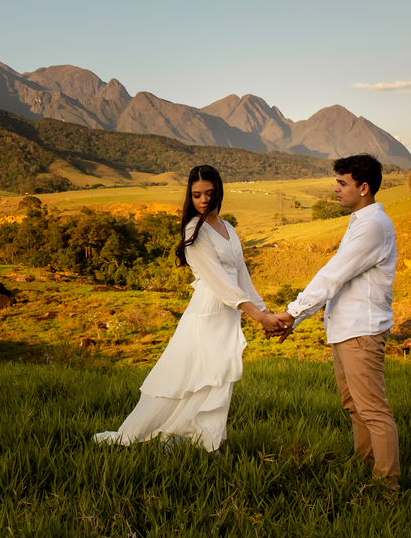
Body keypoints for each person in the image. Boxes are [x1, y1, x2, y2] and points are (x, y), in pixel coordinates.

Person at [94, 165, 288, 453]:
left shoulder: (228, 228)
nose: (204, 200)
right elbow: (220, 283)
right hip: (206, 315)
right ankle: (186, 440)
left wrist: (264, 312)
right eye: (197, 195)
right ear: (190, 197)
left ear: (219, 191)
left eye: (209, 193)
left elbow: (240, 275)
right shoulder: (194, 231)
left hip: (228, 316)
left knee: (218, 380)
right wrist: (258, 315)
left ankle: (204, 439)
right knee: (193, 379)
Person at [271, 153, 400, 487]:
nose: (335, 189)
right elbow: (336, 281)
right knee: (354, 406)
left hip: (362, 330)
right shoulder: (360, 221)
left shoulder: (372, 226)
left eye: (343, 183)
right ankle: (365, 469)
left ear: (364, 187)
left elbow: (333, 275)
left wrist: (291, 313)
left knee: (372, 409)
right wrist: (295, 320)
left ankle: (387, 486)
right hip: (346, 330)